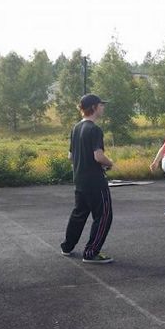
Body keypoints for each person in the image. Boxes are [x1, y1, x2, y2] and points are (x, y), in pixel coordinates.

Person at [61, 94, 115, 263]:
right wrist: (110, 163)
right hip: (95, 181)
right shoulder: (94, 129)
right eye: (101, 105)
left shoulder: (76, 128)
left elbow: (70, 156)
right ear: (94, 107)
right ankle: (91, 253)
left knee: (79, 213)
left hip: (80, 180)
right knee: (104, 215)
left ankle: (67, 247)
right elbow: (99, 156)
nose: (103, 107)